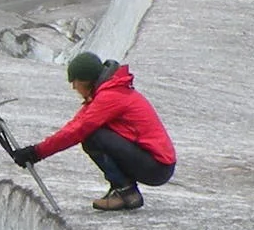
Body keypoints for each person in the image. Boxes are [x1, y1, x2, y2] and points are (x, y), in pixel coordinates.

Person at [9, 51, 176, 211]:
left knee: (92, 136)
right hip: (154, 162)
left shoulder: (110, 96)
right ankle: (124, 191)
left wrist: (37, 153)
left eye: (75, 82)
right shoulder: (108, 92)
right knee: (92, 133)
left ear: (85, 80)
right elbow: (75, 125)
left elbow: (78, 130)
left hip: (157, 166)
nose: (74, 87)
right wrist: (35, 150)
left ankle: (125, 191)